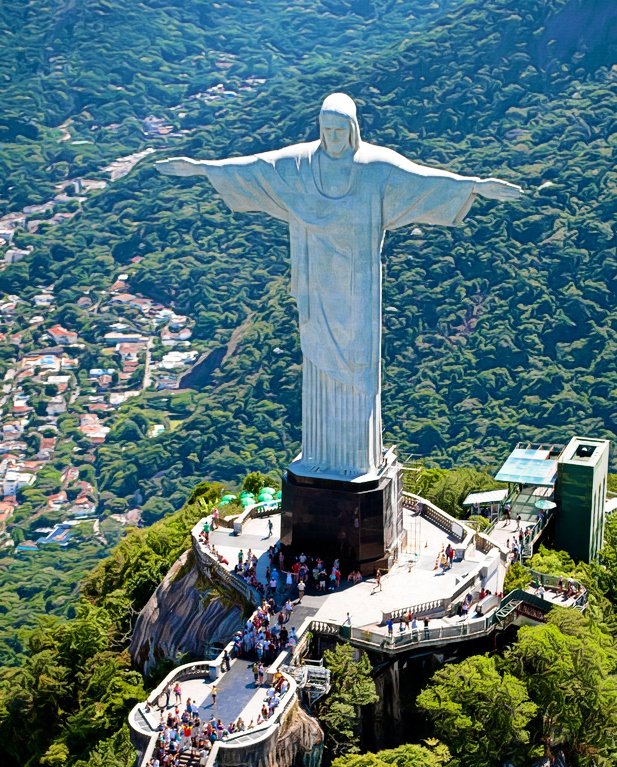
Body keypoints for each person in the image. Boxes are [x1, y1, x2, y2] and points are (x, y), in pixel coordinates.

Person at [156, 93, 523, 480]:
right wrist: (202, 168)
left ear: (353, 130)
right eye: (326, 130)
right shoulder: (299, 164)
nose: (332, 138)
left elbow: (423, 179)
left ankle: (358, 458)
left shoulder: (375, 167)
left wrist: (473, 187)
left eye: (339, 130)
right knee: (317, 362)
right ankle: (320, 455)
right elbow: (254, 168)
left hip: (358, 286)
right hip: (317, 283)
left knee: (358, 366)